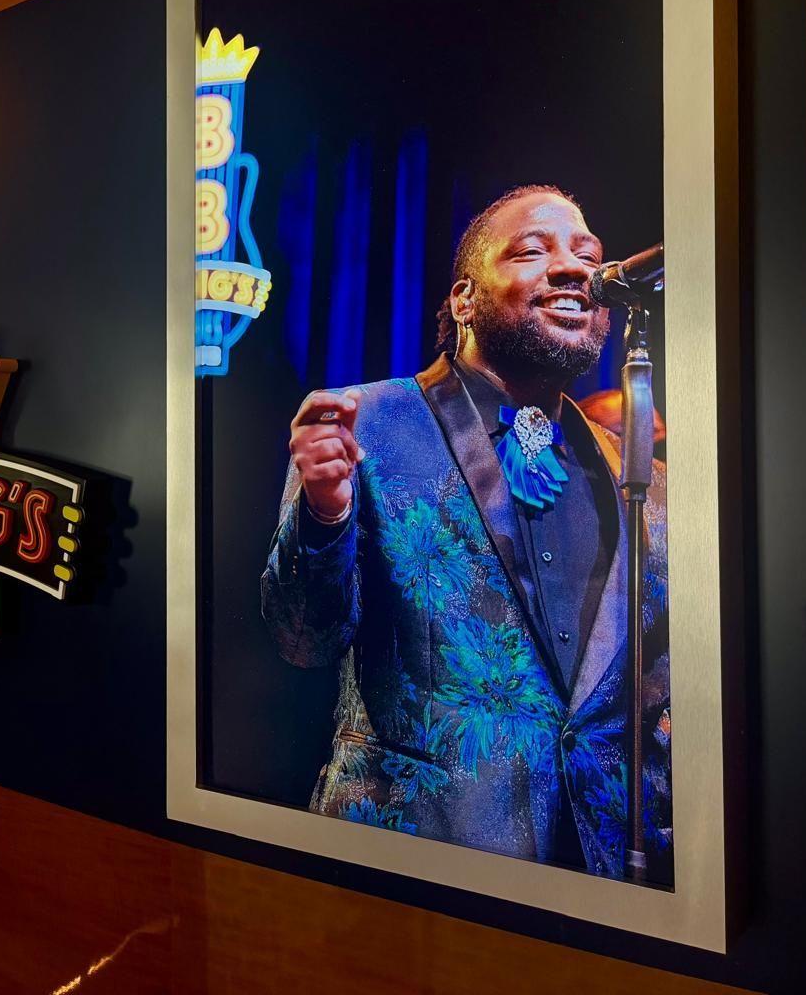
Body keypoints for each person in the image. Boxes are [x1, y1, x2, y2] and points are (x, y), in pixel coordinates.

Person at [261, 184, 671, 879]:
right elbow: (303, 640)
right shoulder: (367, 424)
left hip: (604, 882)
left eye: (587, 254)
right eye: (532, 251)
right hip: (417, 867)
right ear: (463, 300)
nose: (572, 268)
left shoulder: (648, 484)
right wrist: (324, 514)